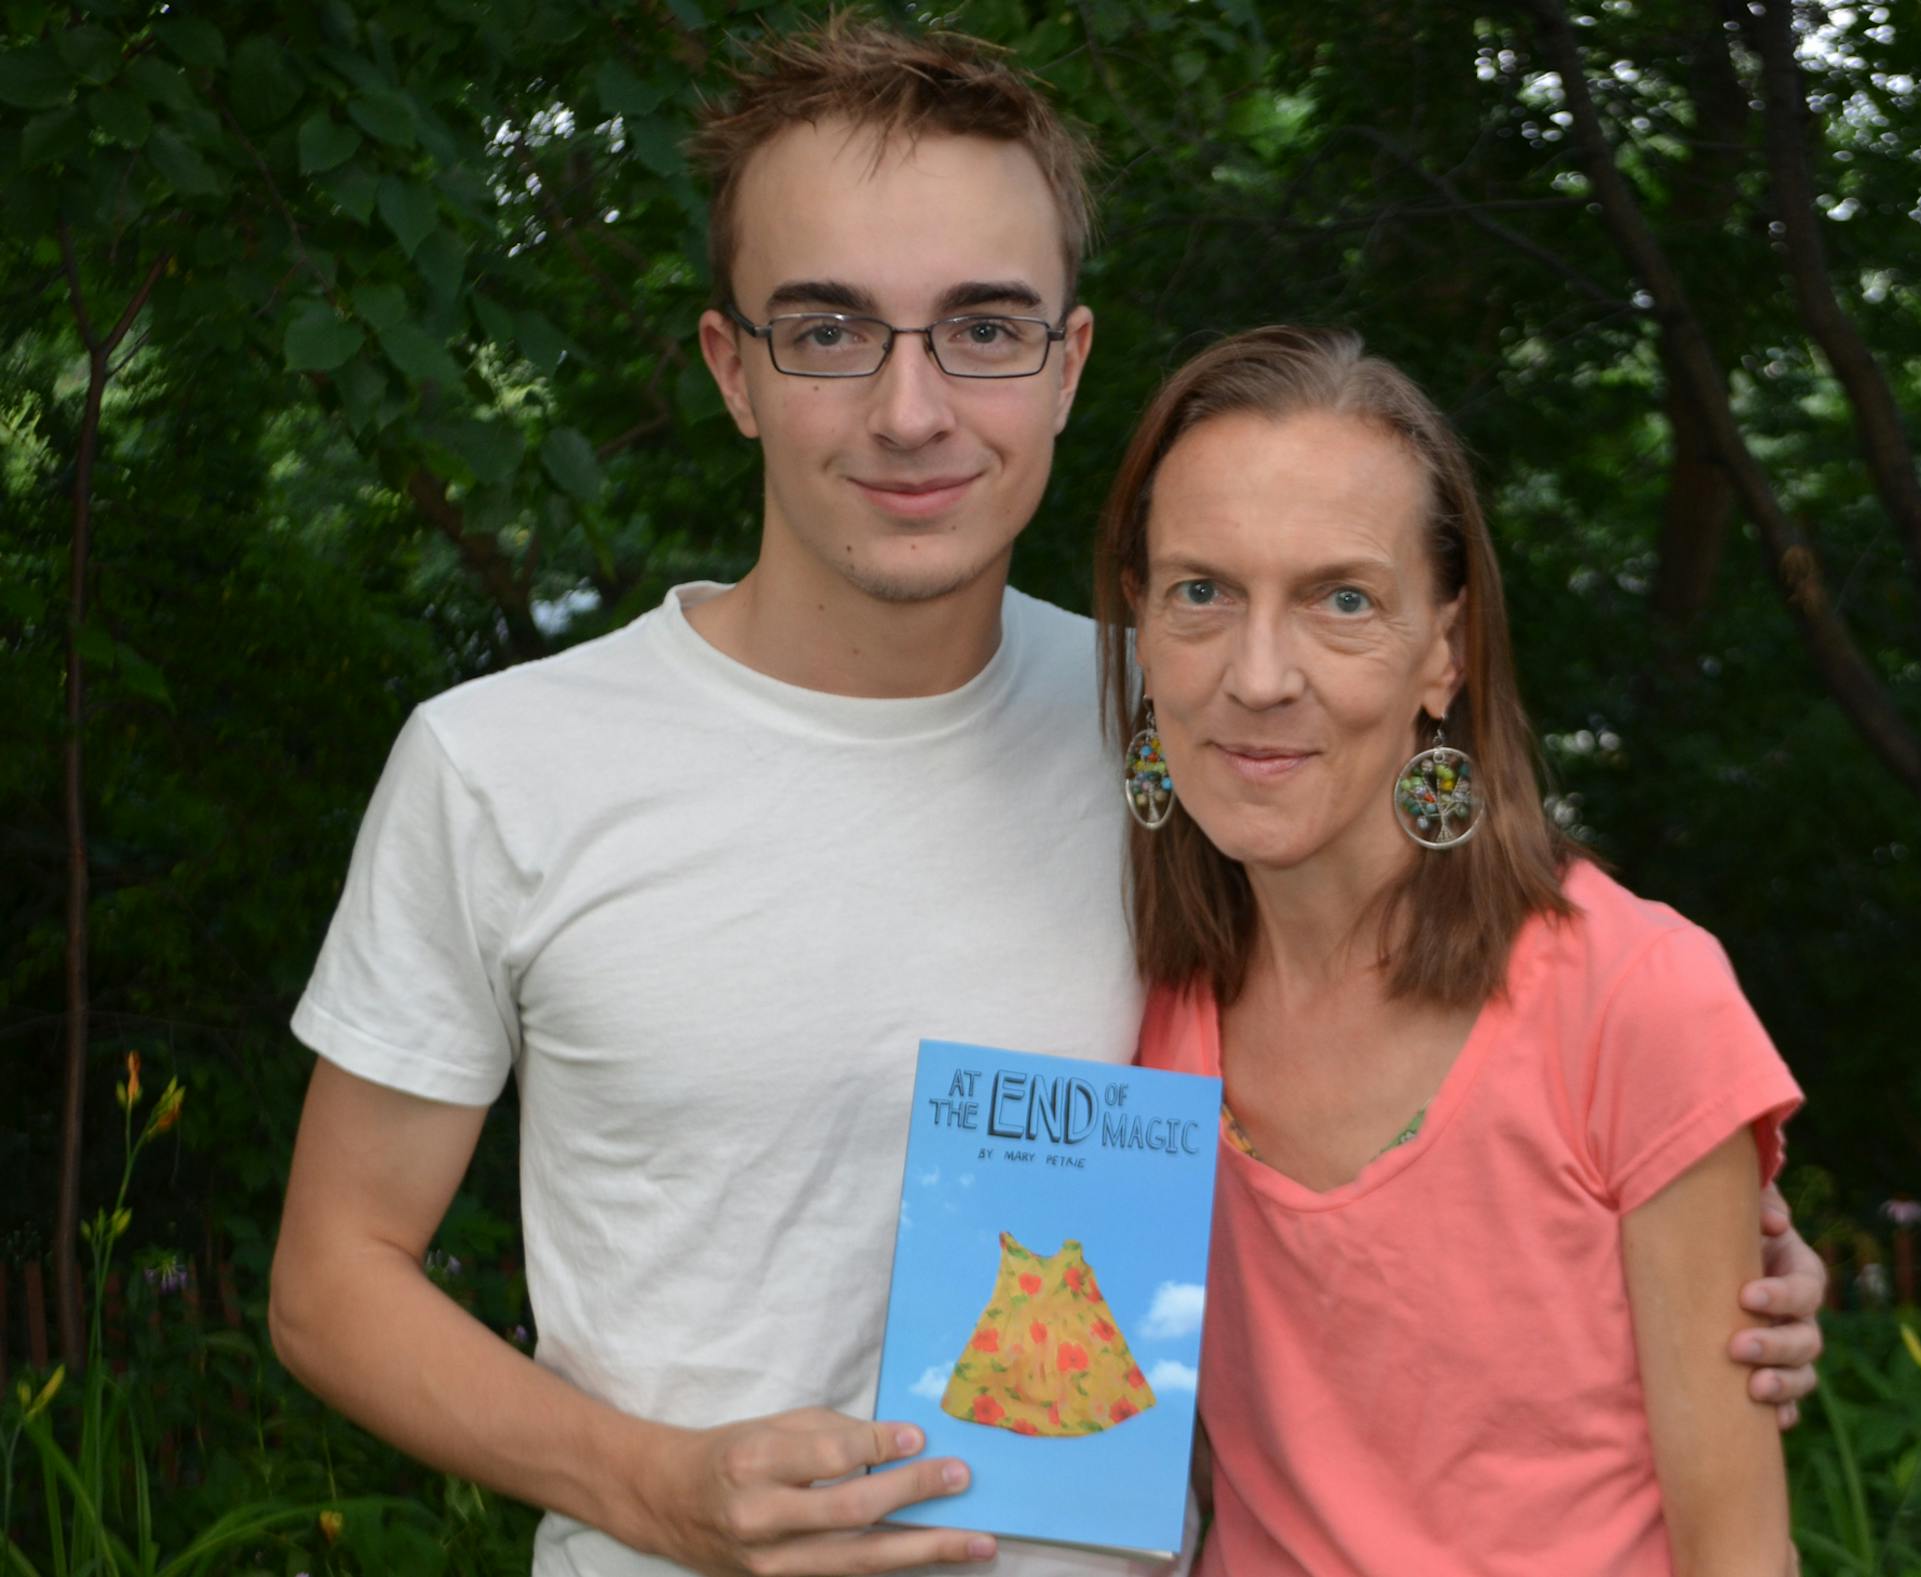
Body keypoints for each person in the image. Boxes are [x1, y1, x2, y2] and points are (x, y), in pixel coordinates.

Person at [268, 20, 1824, 1577]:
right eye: (827, 331)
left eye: (983, 329)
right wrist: (649, 1482)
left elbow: (1504, 1048)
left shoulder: (1200, 729)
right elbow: (334, 1272)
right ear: (731, 368)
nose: (910, 410)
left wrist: (1679, 1265)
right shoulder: (504, 767)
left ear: (1067, 366)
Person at [1100, 326, 1803, 1575]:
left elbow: (1739, 1550)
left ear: (1447, 650)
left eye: (1343, 599)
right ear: (1140, 633)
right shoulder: (1134, 1013)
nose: (1259, 675)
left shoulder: (1636, 996)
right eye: (1201, 590)